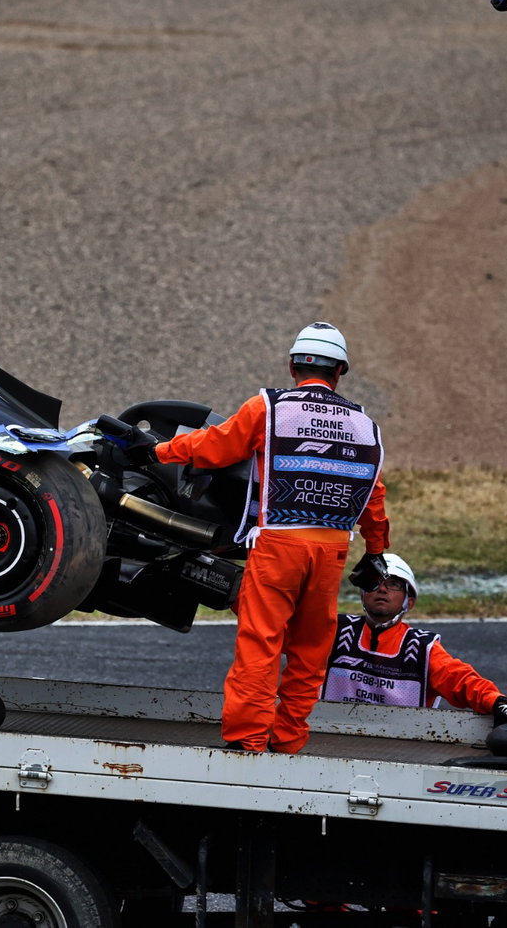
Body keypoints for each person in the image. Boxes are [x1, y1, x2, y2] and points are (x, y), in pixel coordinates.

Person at [113, 322, 389, 753]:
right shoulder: (364, 426)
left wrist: (155, 451)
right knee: (310, 652)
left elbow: (216, 446)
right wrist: (375, 551)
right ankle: (289, 740)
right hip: (332, 552)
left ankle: (249, 740)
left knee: (261, 643)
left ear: (293, 366)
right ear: (340, 372)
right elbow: (374, 495)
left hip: (278, 544)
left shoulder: (270, 408)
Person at [323, 553, 507, 720]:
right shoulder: (335, 630)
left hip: (403, 746)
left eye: (394, 584)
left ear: (409, 602)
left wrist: (496, 703)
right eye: (375, 583)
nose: (382, 589)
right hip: (331, 737)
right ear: (362, 594)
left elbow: (458, 679)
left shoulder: (420, 648)